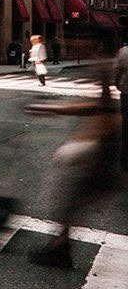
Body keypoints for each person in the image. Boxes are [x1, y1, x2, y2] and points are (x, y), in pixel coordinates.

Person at [27, 68, 121, 267]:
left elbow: (99, 109)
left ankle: (59, 249)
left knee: (70, 204)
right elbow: (95, 107)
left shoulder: (109, 97)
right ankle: (60, 248)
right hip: (107, 161)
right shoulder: (108, 98)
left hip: (106, 162)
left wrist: (87, 146)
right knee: (71, 204)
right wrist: (51, 110)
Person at [114, 42, 128, 171]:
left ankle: (125, 159)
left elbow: (117, 71)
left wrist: (118, 85)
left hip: (126, 93)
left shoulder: (123, 52)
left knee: (126, 126)